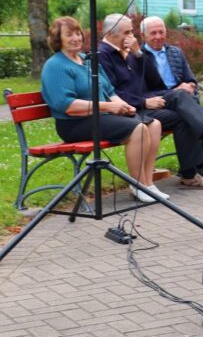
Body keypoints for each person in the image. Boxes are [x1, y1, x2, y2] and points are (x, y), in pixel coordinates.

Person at [98, 14, 203, 191]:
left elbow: (155, 81)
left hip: (146, 102)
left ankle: (191, 174)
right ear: (110, 34)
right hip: (128, 110)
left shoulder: (128, 51)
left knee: (182, 108)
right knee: (181, 104)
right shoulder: (103, 55)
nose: (131, 37)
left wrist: (138, 54)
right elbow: (111, 93)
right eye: (127, 33)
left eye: (132, 33)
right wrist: (144, 102)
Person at [40, 16, 164, 203]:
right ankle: (137, 185)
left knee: (154, 125)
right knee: (138, 129)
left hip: (99, 116)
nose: (76, 38)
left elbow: (109, 91)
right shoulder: (56, 65)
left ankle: (148, 184)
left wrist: (124, 106)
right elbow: (67, 106)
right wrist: (109, 106)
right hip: (74, 124)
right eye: (69, 35)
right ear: (58, 39)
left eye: (78, 33)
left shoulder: (87, 60)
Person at [140, 15, 203, 184]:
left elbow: (191, 79)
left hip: (180, 102)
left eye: (161, 32)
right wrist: (175, 91)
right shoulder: (138, 57)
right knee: (185, 102)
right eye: (153, 33)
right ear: (143, 36)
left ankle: (190, 171)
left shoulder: (175, 52)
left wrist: (190, 86)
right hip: (156, 103)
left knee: (189, 109)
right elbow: (141, 91)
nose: (158, 36)